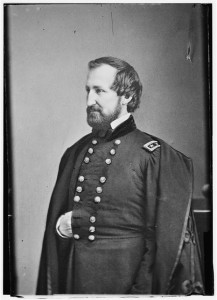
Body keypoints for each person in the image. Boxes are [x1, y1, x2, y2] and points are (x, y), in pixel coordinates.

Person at [36, 56, 204, 295]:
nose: (89, 100)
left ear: (127, 96)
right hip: (78, 283)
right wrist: (61, 228)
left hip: (127, 284)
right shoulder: (75, 152)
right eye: (88, 90)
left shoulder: (156, 156)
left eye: (100, 91)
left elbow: (162, 245)